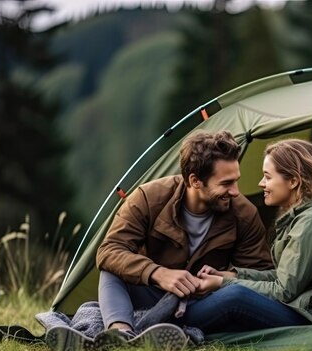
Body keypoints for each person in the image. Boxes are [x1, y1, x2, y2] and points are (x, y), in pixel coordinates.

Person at [96, 130, 273, 339]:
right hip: (153, 293)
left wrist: (224, 278)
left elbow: (260, 276)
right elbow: (109, 251)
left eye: (236, 180)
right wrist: (157, 273)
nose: (235, 191)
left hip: (199, 305)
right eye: (226, 183)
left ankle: (156, 331)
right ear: (195, 180)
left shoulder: (244, 214)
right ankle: (120, 334)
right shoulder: (148, 198)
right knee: (111, 270)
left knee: (235, 297)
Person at [172, 139, 312, 333]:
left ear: (293, 181)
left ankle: (165, 325)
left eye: (267, 177)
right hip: (302, 306)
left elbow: (283, 291)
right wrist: (234, 275)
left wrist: (223, 283)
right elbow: (287, 277)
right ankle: (166, 321)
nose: (261, 183)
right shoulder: (308, 215)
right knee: (231, 294)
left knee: (235, 297)